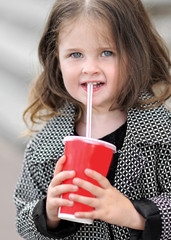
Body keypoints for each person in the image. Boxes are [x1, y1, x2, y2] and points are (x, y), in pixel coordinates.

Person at [14, 0, 171, 239]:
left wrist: (135, 214)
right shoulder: (43, 150)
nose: (90, 68)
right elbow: (22, 218)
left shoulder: (162, 135)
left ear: (136, 53)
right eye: (75, 54)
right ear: (57, 59)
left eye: (106, 52)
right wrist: (47, 213)